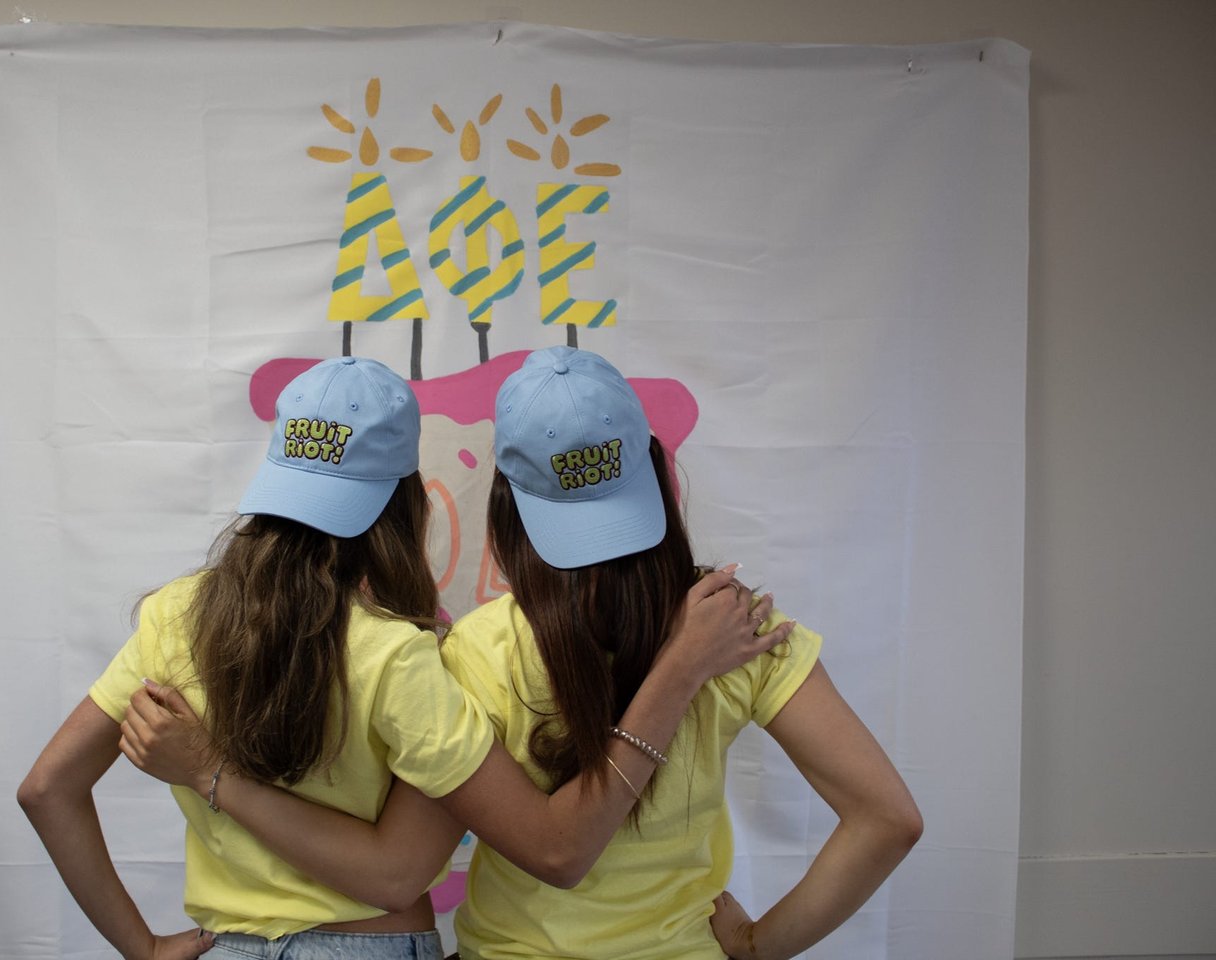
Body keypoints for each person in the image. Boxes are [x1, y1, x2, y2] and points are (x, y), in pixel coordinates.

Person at [123, 346, 923, 960]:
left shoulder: (470, 652)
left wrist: (216, 776)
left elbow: (417, 864)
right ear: (654, 473)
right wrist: (756, 945)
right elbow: (887, 819)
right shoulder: (733, 628)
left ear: (504, 505)